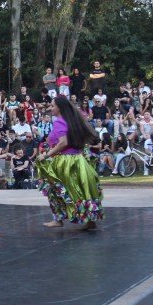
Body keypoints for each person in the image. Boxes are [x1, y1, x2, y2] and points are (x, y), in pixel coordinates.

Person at [36, 96, 103, 230]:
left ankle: (59, 219)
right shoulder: (72, 121)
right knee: (82, 190)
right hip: (78, 160)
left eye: (53, 106)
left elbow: (63, 142)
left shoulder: (59, 122)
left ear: (60, 108)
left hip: (64, 162)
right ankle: (90, 221)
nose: (51, 108)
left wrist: (47, 154)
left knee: (55, 189)